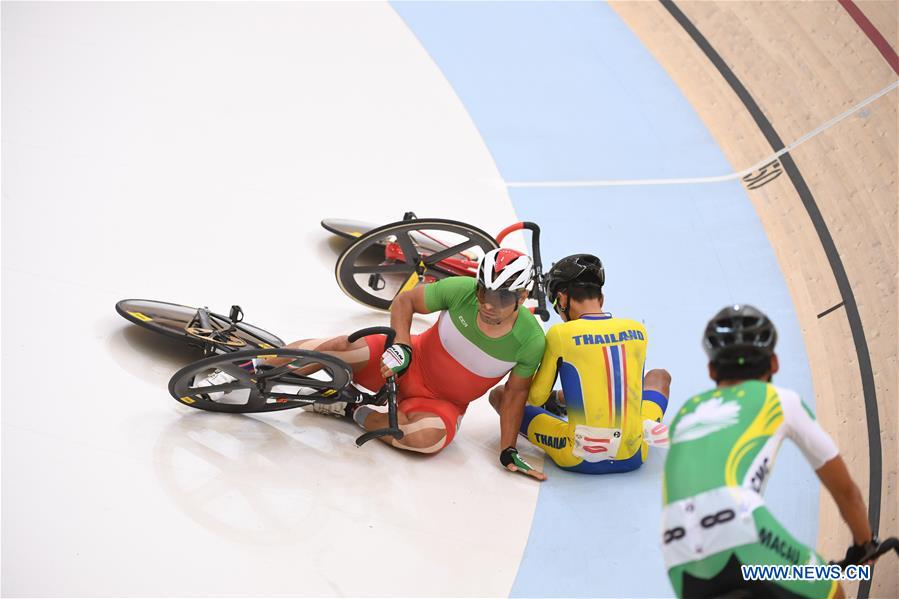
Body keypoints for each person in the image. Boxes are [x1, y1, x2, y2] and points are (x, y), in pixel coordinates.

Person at [213, 248, 547, 478]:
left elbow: (515, 395)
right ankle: (255, 366)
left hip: (438, 403)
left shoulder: (530, 341)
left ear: (522, 296)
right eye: (483, 292)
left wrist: (507, 450)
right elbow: (405, 301)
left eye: (501, 298)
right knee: (346, 346)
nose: (488, 304)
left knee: (427, 440)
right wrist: (402, 344)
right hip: (404, 362)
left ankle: (348, 409)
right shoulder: (461, 291)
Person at [661, 304, 876, 598]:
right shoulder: (781, 400)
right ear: (774, 364)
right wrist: (865, 544)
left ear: (711, 370)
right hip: (740, 526)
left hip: (677, 548)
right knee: (830, 590)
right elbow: (846, 491)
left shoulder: (686, 412)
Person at [489, 254, 671, 474]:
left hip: (578, 456)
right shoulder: (638, 331)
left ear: (563, 299)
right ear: (601, 298)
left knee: (500, 395)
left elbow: (535, 398)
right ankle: (644, 427)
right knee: (659, 375)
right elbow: (633, 391)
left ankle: (562, 405)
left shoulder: (561, 334)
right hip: (634, 455)